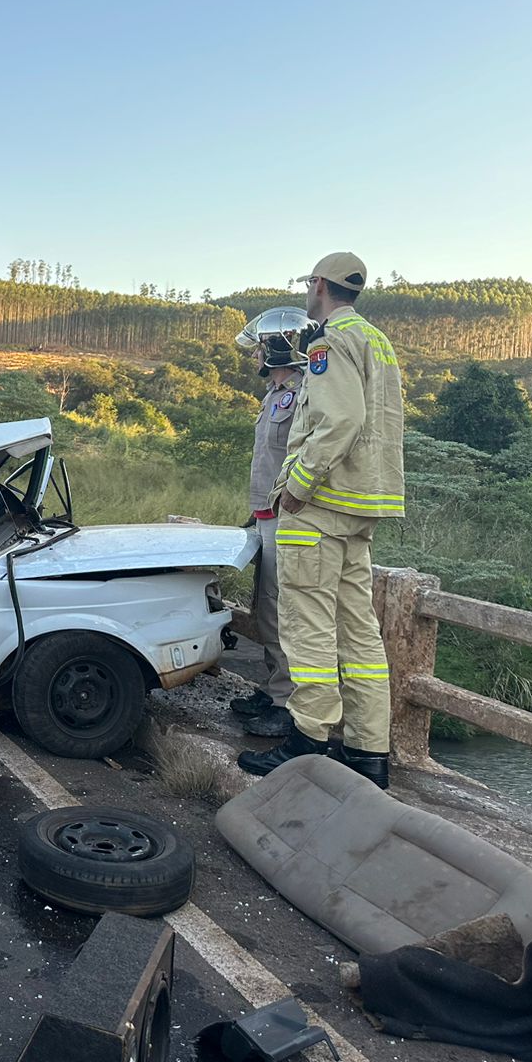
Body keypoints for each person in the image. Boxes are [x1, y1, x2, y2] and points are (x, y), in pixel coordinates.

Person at [239, 252, 405, 789]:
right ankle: (367, 753)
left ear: (318, 285)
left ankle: (306, 739)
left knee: (306, 625)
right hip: (364, 503)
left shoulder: (328, 341)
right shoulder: (376, 340)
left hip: (322, 505)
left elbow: (340, 419)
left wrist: (299, 487)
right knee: (359, 635)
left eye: (309, 284)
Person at [229, 307, 313, 738]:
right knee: (265, 609)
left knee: (283, 610)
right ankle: (272, 687)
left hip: (288, 519)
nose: (255, 356)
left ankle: (287, 702)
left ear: (280, 346)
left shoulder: (302, 395)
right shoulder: (274, 395)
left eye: (261, 347)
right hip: (266, 515)